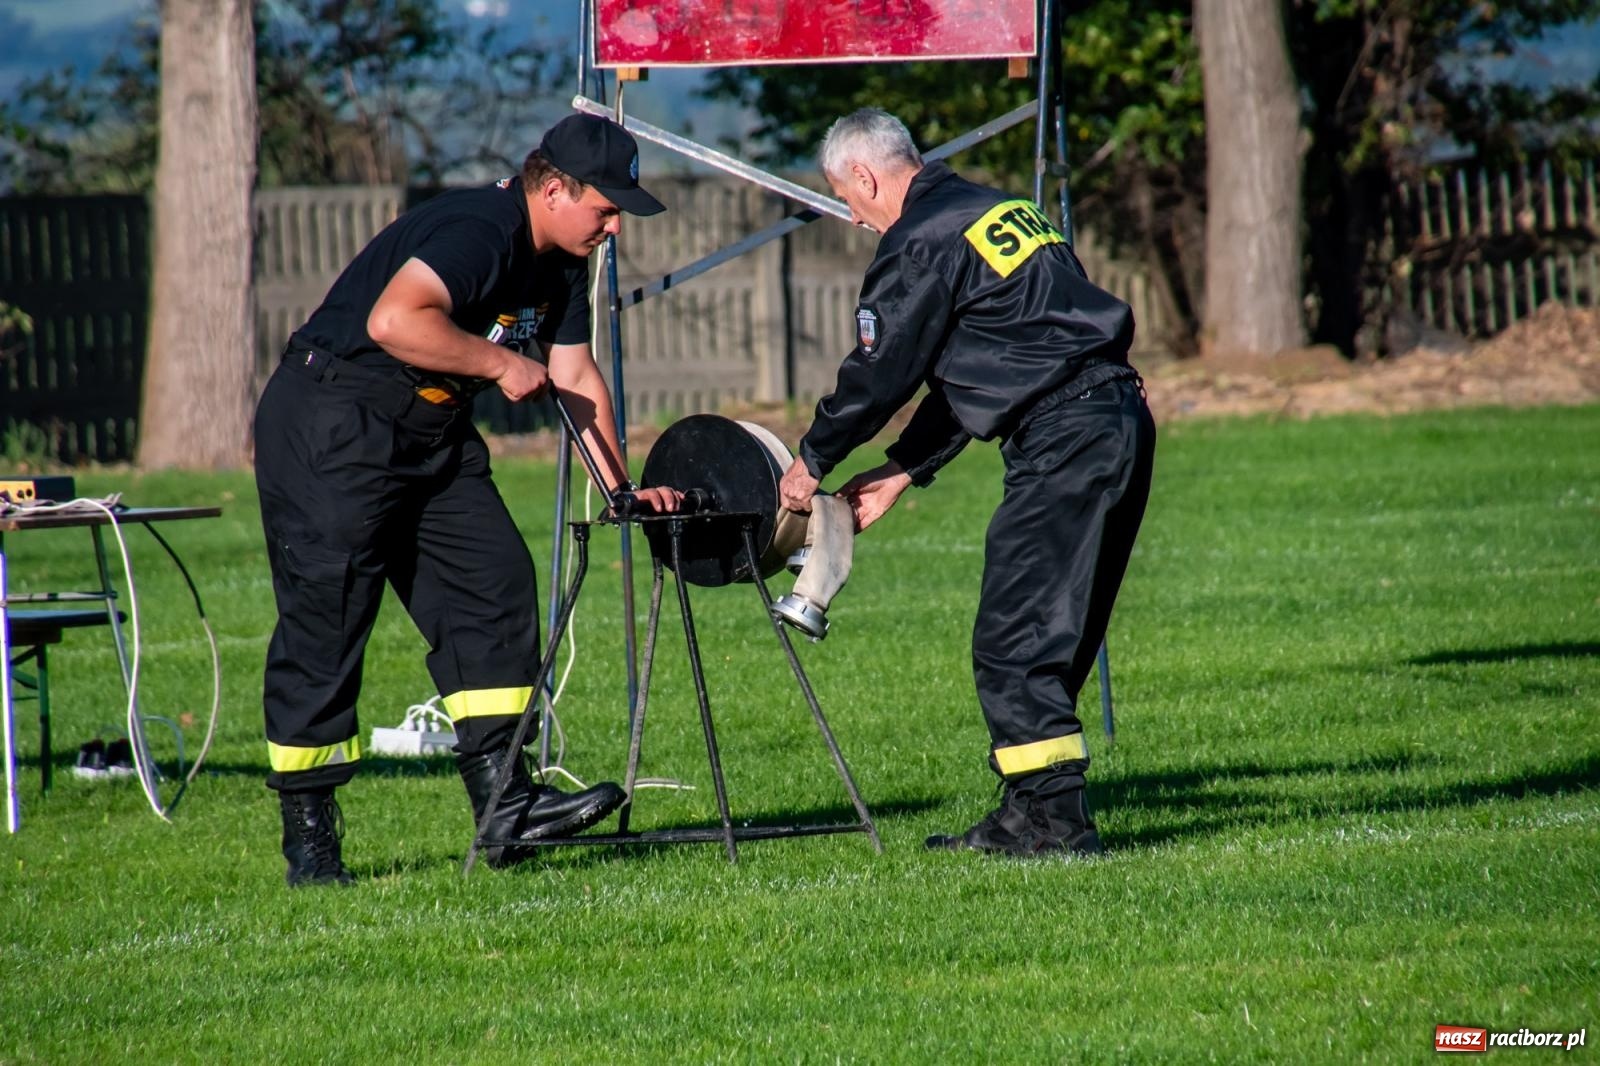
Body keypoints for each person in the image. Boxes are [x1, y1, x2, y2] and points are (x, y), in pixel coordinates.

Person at [253, 113, 684, 886]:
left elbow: (577, 378)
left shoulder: (564, 262)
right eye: (606, 208)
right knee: (329, 620)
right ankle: (311, 846)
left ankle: (506, 810)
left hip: (432, 429)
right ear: (554, 189)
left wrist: (619, 489)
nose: (614, 226)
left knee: (493, 584)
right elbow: (395, 320)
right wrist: (493, 362)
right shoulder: (479, 230)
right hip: (334, 421)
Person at [778, 108, 1156, 859]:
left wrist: (813, 457)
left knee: (1016, 634)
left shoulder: (919, 238)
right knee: (1049, 630)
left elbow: (882, 371)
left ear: (866, 175)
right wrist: (900, 470)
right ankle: (1029, 811)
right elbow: (995, 364)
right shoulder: (1001, 213)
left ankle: (1055, 824)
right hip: (1114, 419)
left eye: (849, 201)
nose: (855, 220)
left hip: (1067, 435)